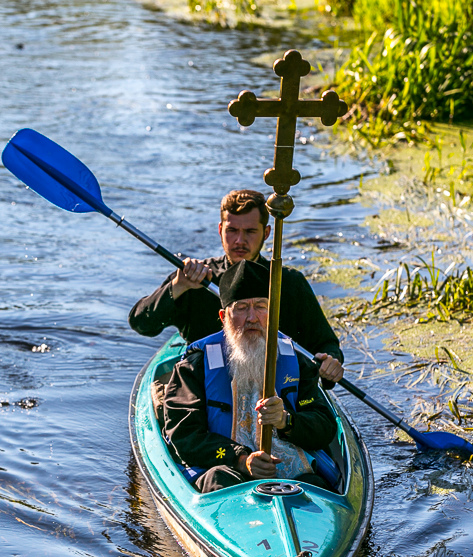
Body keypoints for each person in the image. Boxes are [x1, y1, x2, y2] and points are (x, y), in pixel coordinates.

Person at [128, 189, 345, 385]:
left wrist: (330, 362)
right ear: (221, 230)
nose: (240, 240)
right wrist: (177, 287)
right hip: (204, 389)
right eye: (232, 230)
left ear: (267, 233)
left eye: (250, 231)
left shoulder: (289, 283)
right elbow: (142, 324)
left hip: (276, 390)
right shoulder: (195, 279)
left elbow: (325, 344)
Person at [163, 260, 339, 493]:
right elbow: (183, 435)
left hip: (289, 473)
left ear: (273, 312)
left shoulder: (297, 361)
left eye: (260, 306)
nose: (252, 317)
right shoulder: (195, 364)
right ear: (223, 316)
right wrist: (241, 459)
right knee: (218, 480)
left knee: (315, 488)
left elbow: (324, 426)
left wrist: (286, 421)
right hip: (225, 468)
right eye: (241, 308)